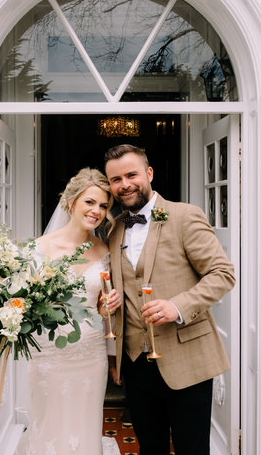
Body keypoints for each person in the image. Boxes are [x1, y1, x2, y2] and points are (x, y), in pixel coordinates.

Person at [104, 144, 235, 455]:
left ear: (148, 173)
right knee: (151, 447)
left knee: (192, 449)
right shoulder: (112, 229)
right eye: (116, 179)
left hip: (187, 357)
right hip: (135, 363)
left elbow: (222, 274)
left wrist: (177, 306)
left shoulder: (185, 216)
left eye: (131, 174)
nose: (125, 184)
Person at [19, 167, 123, 455]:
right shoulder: (39, 249)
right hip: (48, 354)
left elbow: (103, 310)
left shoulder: (104, 251)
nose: (97, 211)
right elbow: (22, 303)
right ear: (71, 201)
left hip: (90, 354)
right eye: (90, 202)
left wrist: (106, 309)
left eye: (103, 205)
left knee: (85, 425)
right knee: (48, 423)